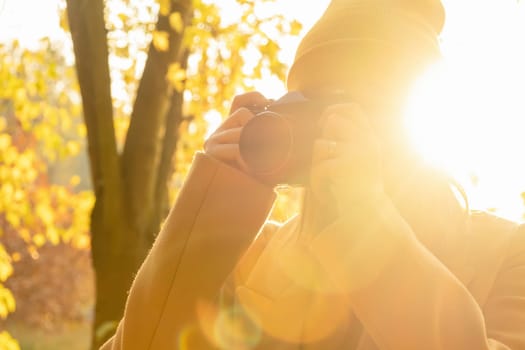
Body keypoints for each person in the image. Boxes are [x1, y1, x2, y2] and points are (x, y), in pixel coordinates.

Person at [101, 0, 525, 349]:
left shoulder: (506, 251)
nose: (330, 132)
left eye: (361, 107)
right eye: (312, 109)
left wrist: (370, 230)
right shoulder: (250, 256)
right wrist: (208, 219)